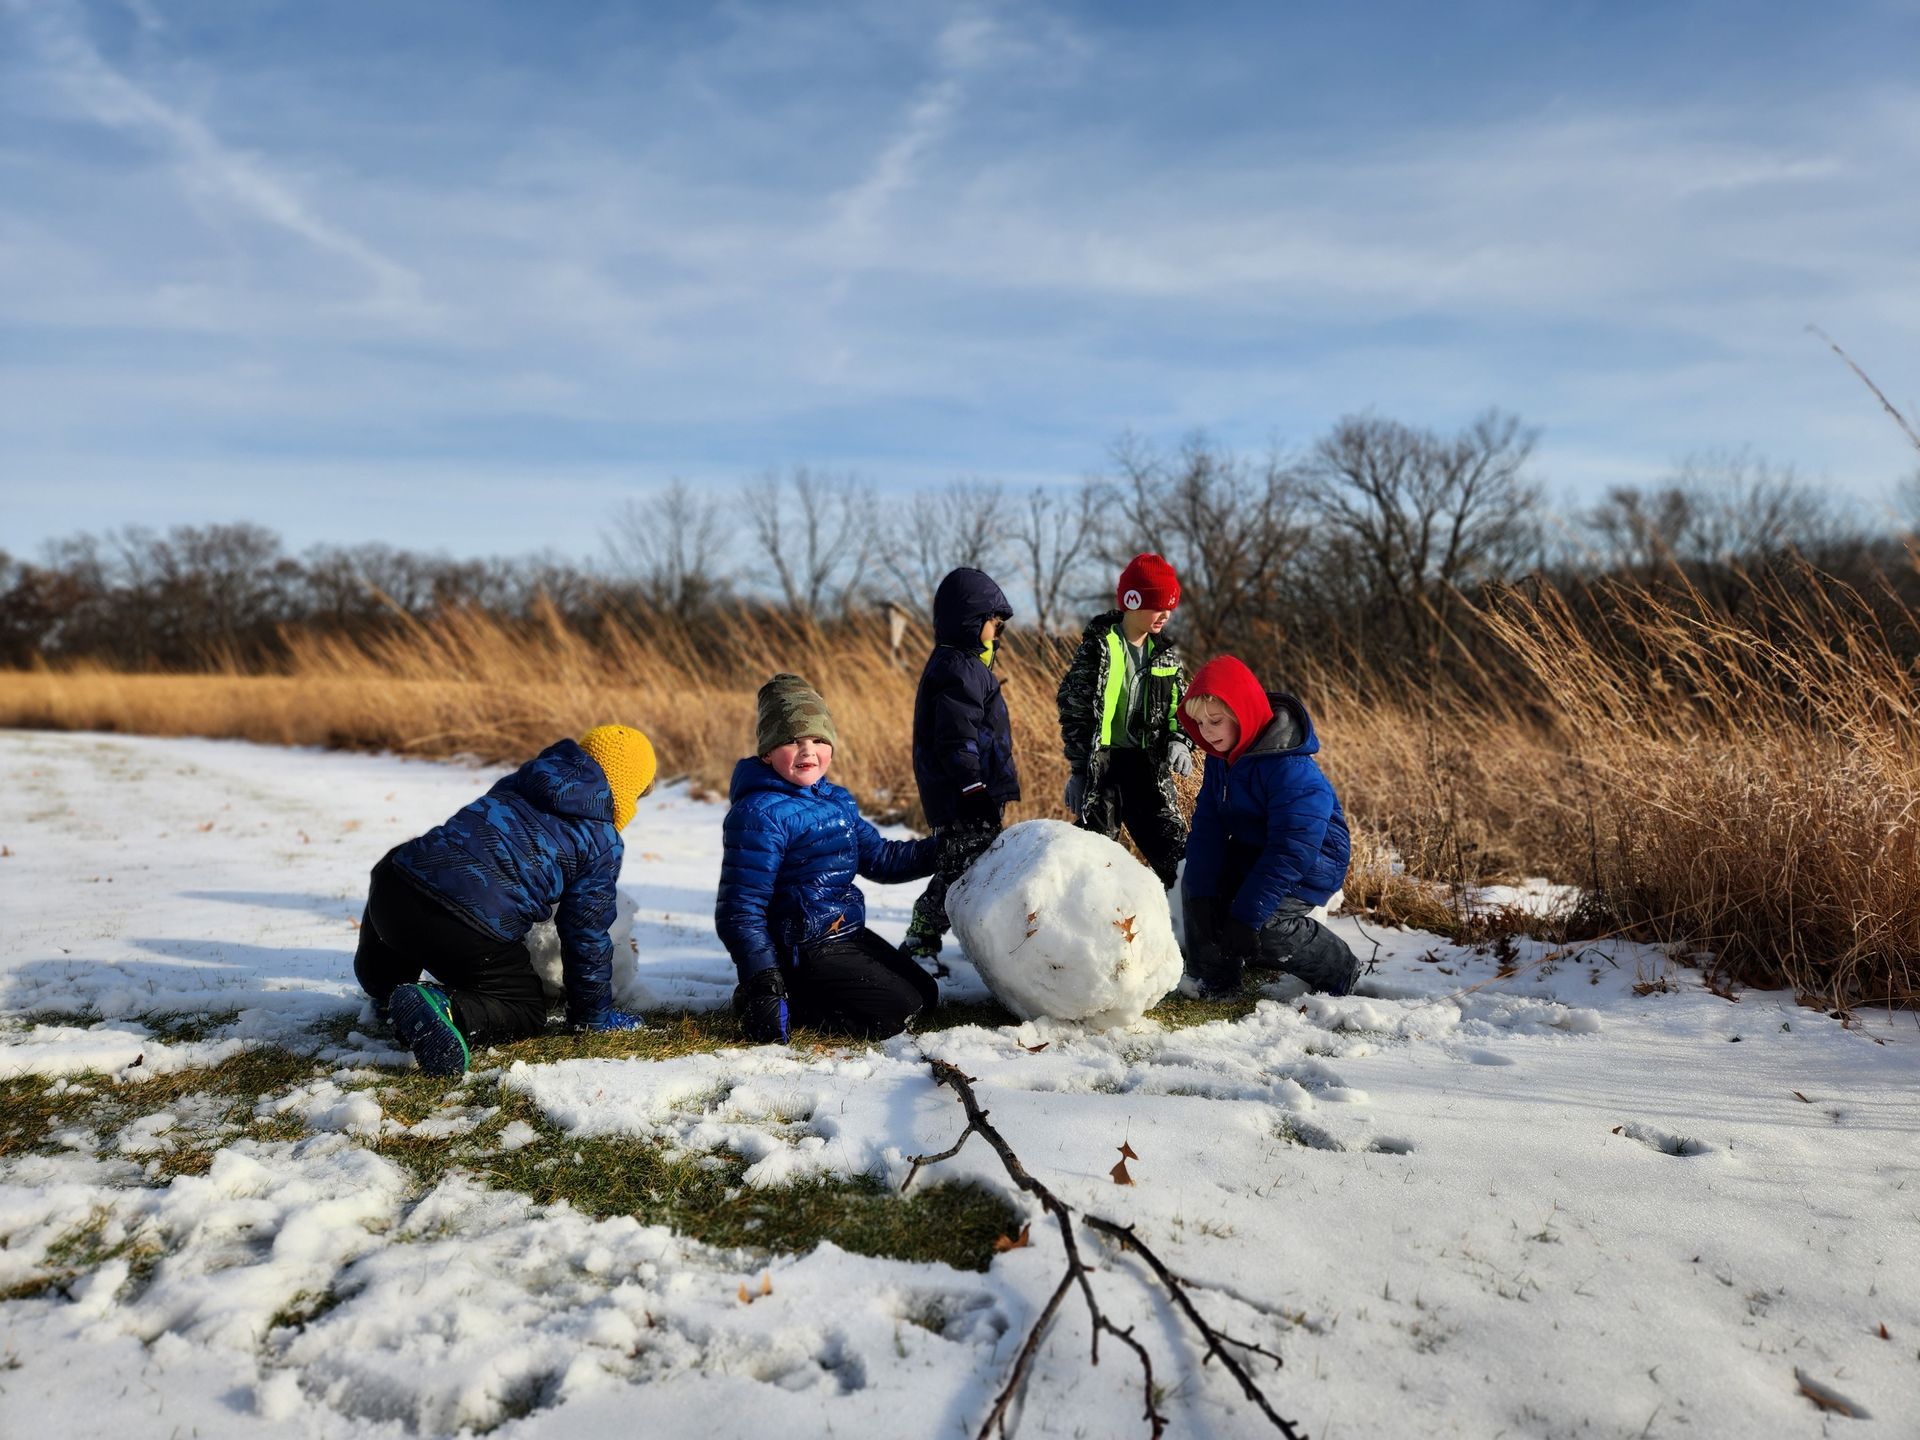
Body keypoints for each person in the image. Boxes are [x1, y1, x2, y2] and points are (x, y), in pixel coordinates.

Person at [354, 725, 654, 1076]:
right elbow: (585, 935)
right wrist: (593, 1016)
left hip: (394, 887)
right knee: (524, 1007)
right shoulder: (601, 841)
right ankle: (446, 1008)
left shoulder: (520, 782)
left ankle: (385, 991)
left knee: (410, 877)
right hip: (465, 922)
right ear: (625, 789)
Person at [717, 673, 941, 1042]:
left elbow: (881, 857)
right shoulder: (759, 814)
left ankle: (811, 990)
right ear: (767, 752)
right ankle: (790, 999)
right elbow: (740, 909)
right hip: (800, 947)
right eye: (792, 740)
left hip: (842, 931)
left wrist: (941, 850)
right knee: (894, 1013)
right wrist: (763, 982)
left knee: (925, 995)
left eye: (819, 739)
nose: (808, 751)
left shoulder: (837, 800)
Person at [1177, 656, 1360, 997]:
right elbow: (1208, 826)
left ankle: (1339, 968)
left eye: (1215, 721)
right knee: (1200, 884)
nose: (1206, 733)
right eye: (1199, 724)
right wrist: (1202, 897)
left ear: (1242, 714)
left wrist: (1246, 917)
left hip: (1309, 862)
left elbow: (1292, 849)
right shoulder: (1222, 757)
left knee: (1265, 926)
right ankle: (1213, 980)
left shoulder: (1289, 768)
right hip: (1256, 850)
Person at [899, 567, 1020, 970]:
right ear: (971, 622)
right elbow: (956, 738)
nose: (996, 635)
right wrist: (974, 788)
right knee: (961, 868)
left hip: (967, 791)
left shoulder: (964, 666)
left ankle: (954, 939)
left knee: (972, 863)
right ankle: (920, 941)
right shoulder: (960, 668)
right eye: (993, 625)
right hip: (962, 794)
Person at [1055, 552, 1194, 888]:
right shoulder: (1100, 648)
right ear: (1132, 601)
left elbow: (1184, 705)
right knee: (1096, 852)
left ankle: (1184, 924)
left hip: (1148, 766)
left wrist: (1180, 740)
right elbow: (1074, 709)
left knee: (1174, 850)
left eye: (1171, 606)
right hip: (1103, 765)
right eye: (1158, 605)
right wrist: (1077, 770)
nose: (1166, 614)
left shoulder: (1166, 654)